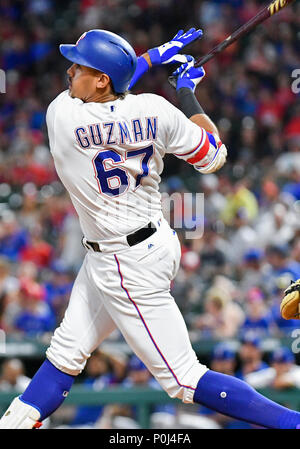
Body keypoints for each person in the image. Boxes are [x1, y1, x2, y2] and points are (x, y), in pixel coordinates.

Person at [1, 28, 300, 430]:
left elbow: (117, 87)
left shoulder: (62, 116)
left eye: (79, 66)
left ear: (102, 79)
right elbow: (214, 155)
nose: (70, 72)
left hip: (124, 263)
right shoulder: (157, 111)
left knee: (183, 379)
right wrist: (186, 91)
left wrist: (149, 59)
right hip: (151, 241)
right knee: (65, 352)